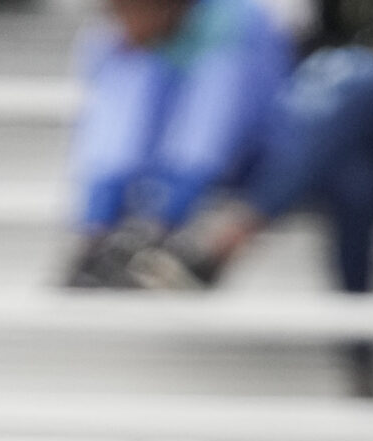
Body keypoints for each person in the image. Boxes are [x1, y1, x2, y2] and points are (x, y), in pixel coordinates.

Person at [124, 0, 373, 388]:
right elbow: (306, 50)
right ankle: (362, 358)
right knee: (358, 184)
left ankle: (237, 232)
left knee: (366, 88)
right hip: (344, 137)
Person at [63, 0, 291, 288]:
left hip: (250, 158)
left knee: (216, 79)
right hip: (160, 166)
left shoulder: (236, 22)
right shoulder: (114, 38)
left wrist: (168, 207)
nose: (120, 23)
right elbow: (114, 126)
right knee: (123, 65)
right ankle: (98, 233)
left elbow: (218, 125)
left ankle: (153, 231)